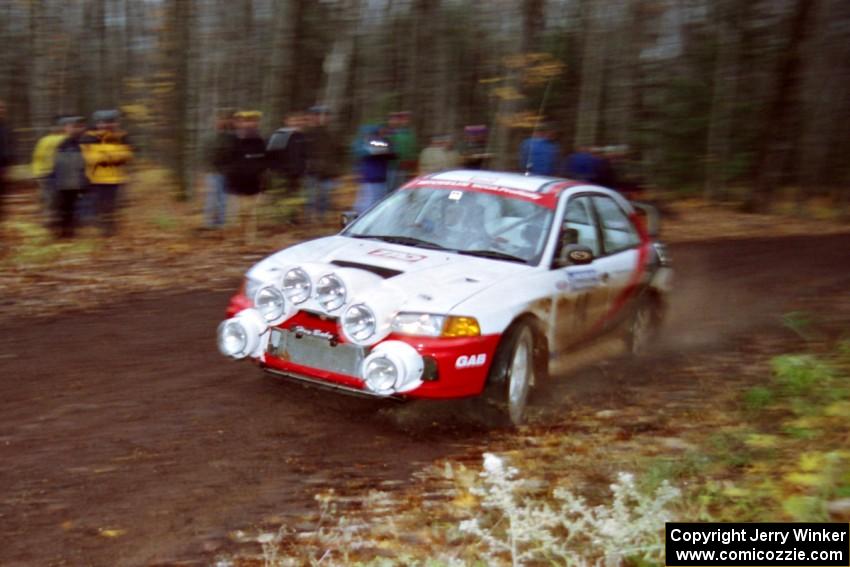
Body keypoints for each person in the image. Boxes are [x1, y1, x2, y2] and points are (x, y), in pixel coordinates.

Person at [80, 110, 133, 236]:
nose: (107, 125)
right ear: (97, 123)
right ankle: (100, 228)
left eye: (111, 122)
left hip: (116, 178)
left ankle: (110, 229)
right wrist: (115, 155)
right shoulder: (88, 137)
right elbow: (90, 158)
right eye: (103, 122)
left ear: (116, 123)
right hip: (95, 179)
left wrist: (104, 155)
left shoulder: (123, 136)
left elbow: (128, 155)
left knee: (112, 205)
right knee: (98, 205)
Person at [225, 110, 267, 242]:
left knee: (251, 214)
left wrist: (263, 183)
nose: (249, 124)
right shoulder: (232, 140)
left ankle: (250, 239)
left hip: (254, 184)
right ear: (240, 123)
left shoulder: (260, 141)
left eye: (252, 121)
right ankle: (235, 240)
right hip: (236, 184)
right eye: (246, 121)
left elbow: (265, 162)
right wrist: (230, 177)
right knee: (237, 214)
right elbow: (226, 160)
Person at [51, 117, 89, 239]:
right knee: (64, 207)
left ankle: (70, 231)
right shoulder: (64, 143)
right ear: (67, 128)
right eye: (74, 126)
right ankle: (63, 232)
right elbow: (58, 164)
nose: (77, 129)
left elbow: (83, 163)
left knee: (73, 208)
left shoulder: (84, 141)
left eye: (79, 126)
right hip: (65, 182)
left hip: (77, 180)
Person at [303, 106, 341, 224]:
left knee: (325, 198)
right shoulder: (306, 134)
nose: (321, 118)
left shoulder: (332, 135)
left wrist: (336, 171)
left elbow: (338, 154)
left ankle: (320, 219)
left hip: (327, 172)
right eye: (317, 115)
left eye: (324, 116)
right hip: (311, 171)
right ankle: (309, 220)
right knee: (311, 198)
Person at [202, 110, 235, 229]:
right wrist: (207, 169)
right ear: (215, 122)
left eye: (224, 120)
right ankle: (208, 222)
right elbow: (205, 154)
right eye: (219, 119)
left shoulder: (231, 137)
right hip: (213, 172)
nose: (221, 122)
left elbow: (234, 155)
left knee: (223, 198)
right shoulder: (210, 137)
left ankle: (221, 222)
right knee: (211, 197)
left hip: (227, 172)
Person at [353, 125, 396, 214]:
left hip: (381, 178)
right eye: (379, 132)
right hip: (370, 179)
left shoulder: (384, 142)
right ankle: (360, 219)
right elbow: (362, 152)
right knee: (368, 203)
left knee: (377, 202)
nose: (382, 134)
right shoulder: (364, 143)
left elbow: (392, 154)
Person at [31, 116, 67, 217]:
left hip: (58, 174)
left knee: (53, 197)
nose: (57, 128)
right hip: (47, 173)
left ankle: (52, 216)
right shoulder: (45, 140)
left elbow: (36, 157)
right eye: (55, 126)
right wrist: (37, 173)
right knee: (50, 197)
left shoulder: (66, 139)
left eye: (60, 126)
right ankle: (49, 217)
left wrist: (37, 173)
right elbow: (37, 157)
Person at [386, 111, 416, 191]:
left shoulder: (410, 134)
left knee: (401, 188)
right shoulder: (389, 133)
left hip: (404, 168)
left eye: (406, 119)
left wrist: (411, 163)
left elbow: (412, 150)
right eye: (392, 119)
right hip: (391, 166)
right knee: (390, 189)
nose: (404, 121)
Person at [0, 100, 13, 232]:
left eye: (3, 108)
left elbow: (10, 145)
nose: (1, 110)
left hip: (3, 168)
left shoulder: (6, 127)